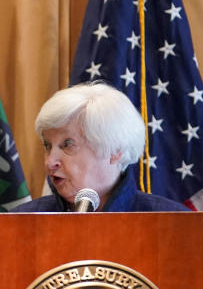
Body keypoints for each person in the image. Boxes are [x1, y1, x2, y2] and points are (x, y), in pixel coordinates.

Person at [15, 82, 189, 212]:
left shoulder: (172, 222)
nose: (50, 162)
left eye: (67, 144)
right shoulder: (19, 222)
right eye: (47, 146)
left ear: (114, 151)